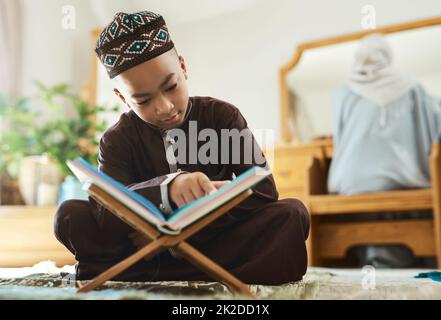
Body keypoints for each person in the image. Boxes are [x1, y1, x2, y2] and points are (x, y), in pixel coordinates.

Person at [53, 11, 310, 284]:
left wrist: (184, 232)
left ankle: (141, 273)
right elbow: (106, 215)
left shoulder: (222, 116)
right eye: (143, 100)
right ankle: (213, 271)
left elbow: (263, 191)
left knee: (293, 214)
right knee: (69, 215)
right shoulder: (116, 139)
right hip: (140, 246)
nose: (164, 107)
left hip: (205, 242)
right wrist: (168, 188)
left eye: (171, 86)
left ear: (183, 68)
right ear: (123, 98)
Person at [328, 34, 441, 268]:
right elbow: (432, 125)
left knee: (368, 187)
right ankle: (398, 259)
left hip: (352, 181)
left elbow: (339, 139)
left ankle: (370, 258)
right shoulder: (411, 87)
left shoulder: (342, 93)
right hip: (400, 176)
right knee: (404, 179)